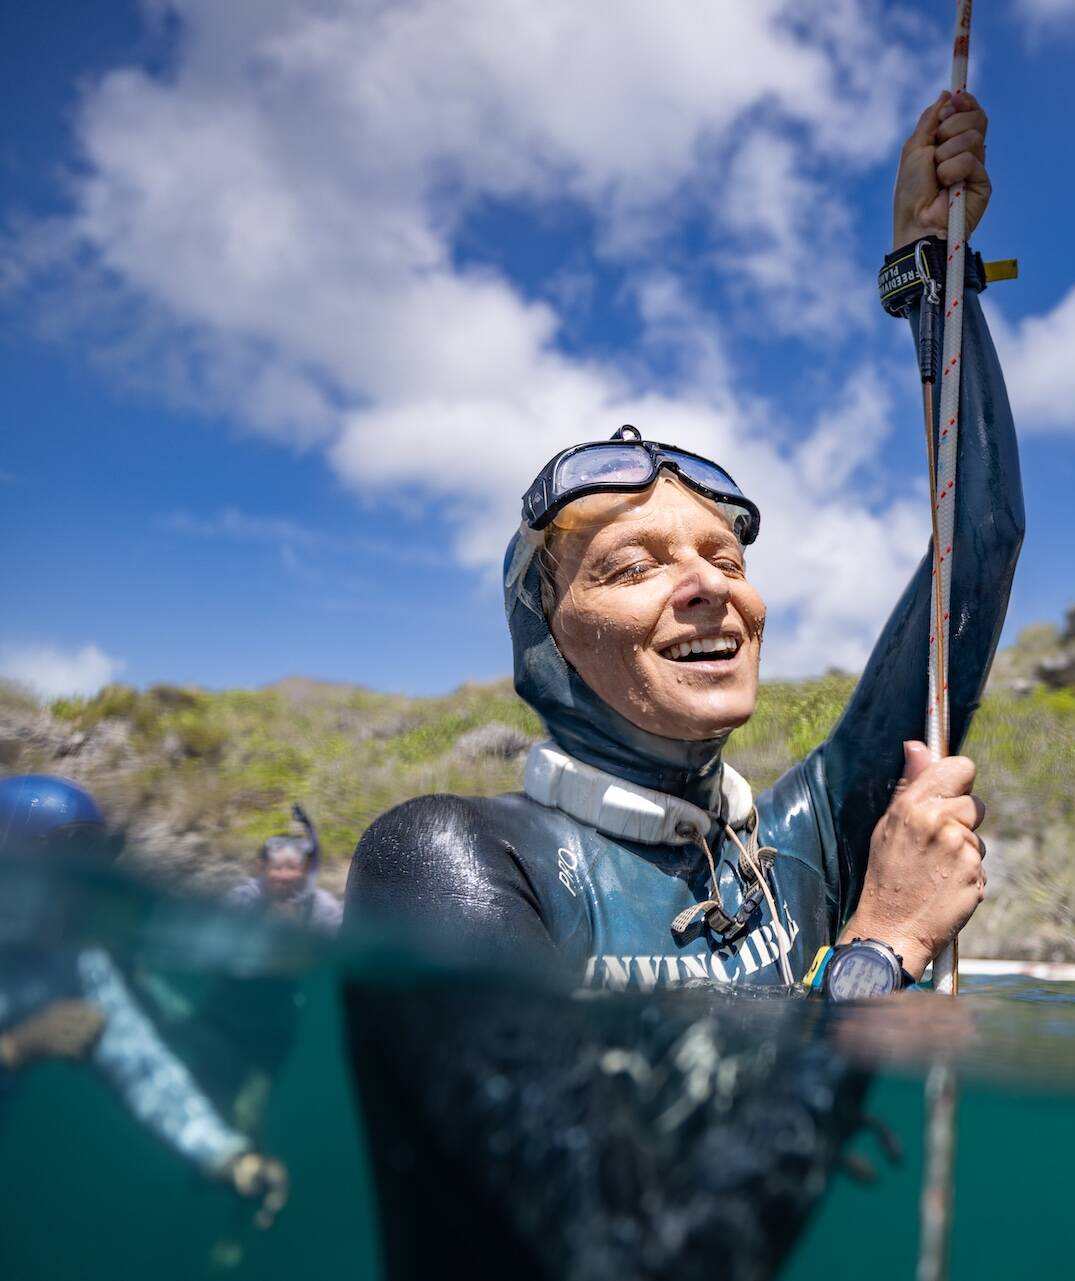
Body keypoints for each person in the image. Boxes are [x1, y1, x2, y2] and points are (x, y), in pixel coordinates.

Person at [345, 89, 1018, 999]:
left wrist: (926, 274)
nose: (709, 585)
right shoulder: (447, 857)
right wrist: (878, 946)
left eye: (728, 559)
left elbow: (976, 543)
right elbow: (570, 1149)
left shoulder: (801, 834)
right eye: (633, 565)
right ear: (548, 642)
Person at [0, 774, 289, 1228]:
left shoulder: (72, 960)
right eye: (66, 869)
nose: (81, 895)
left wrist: (231, 1157)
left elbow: (140, 1064)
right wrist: (15, 1047)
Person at [221, 804, 342, 932]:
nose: (284, 876)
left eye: (292, 868)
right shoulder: (242, 898)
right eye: (277, 867)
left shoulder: (323, 908)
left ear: (305, 872)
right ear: (261, 868)